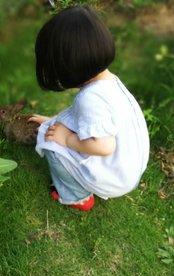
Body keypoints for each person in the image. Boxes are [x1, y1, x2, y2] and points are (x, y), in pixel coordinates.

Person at [29, 5, 149, 211]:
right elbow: (89, 118)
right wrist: (53, 121)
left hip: (115, 175)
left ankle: (78, 197)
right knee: (57, 135)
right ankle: (87, 180)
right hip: (126, 168)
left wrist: (66, 138)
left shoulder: (90, 99)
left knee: (52, 147)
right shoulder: (109, 83)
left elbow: (104, 147)